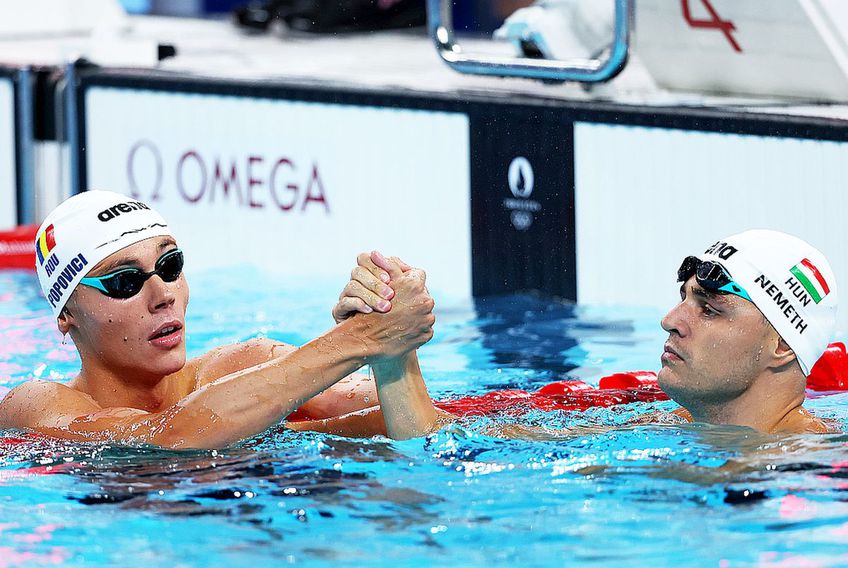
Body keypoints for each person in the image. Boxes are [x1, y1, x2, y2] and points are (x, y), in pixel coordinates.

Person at [0, 190, 443, 448]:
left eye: (170, 265)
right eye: (124, 282)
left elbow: (424, 434)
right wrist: (359, 340)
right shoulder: (37, 406)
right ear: (67, 316)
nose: (162, 295)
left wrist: (392, 353)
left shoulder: (247, 364)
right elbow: (169, 435)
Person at [330, 229, 839, 436]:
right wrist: (385, 345)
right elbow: (443, 449)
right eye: (683, 298)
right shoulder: (657, 428)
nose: (671, 319)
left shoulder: (816, 476)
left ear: (780, 346)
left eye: (709, 309)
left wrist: (387, 349)